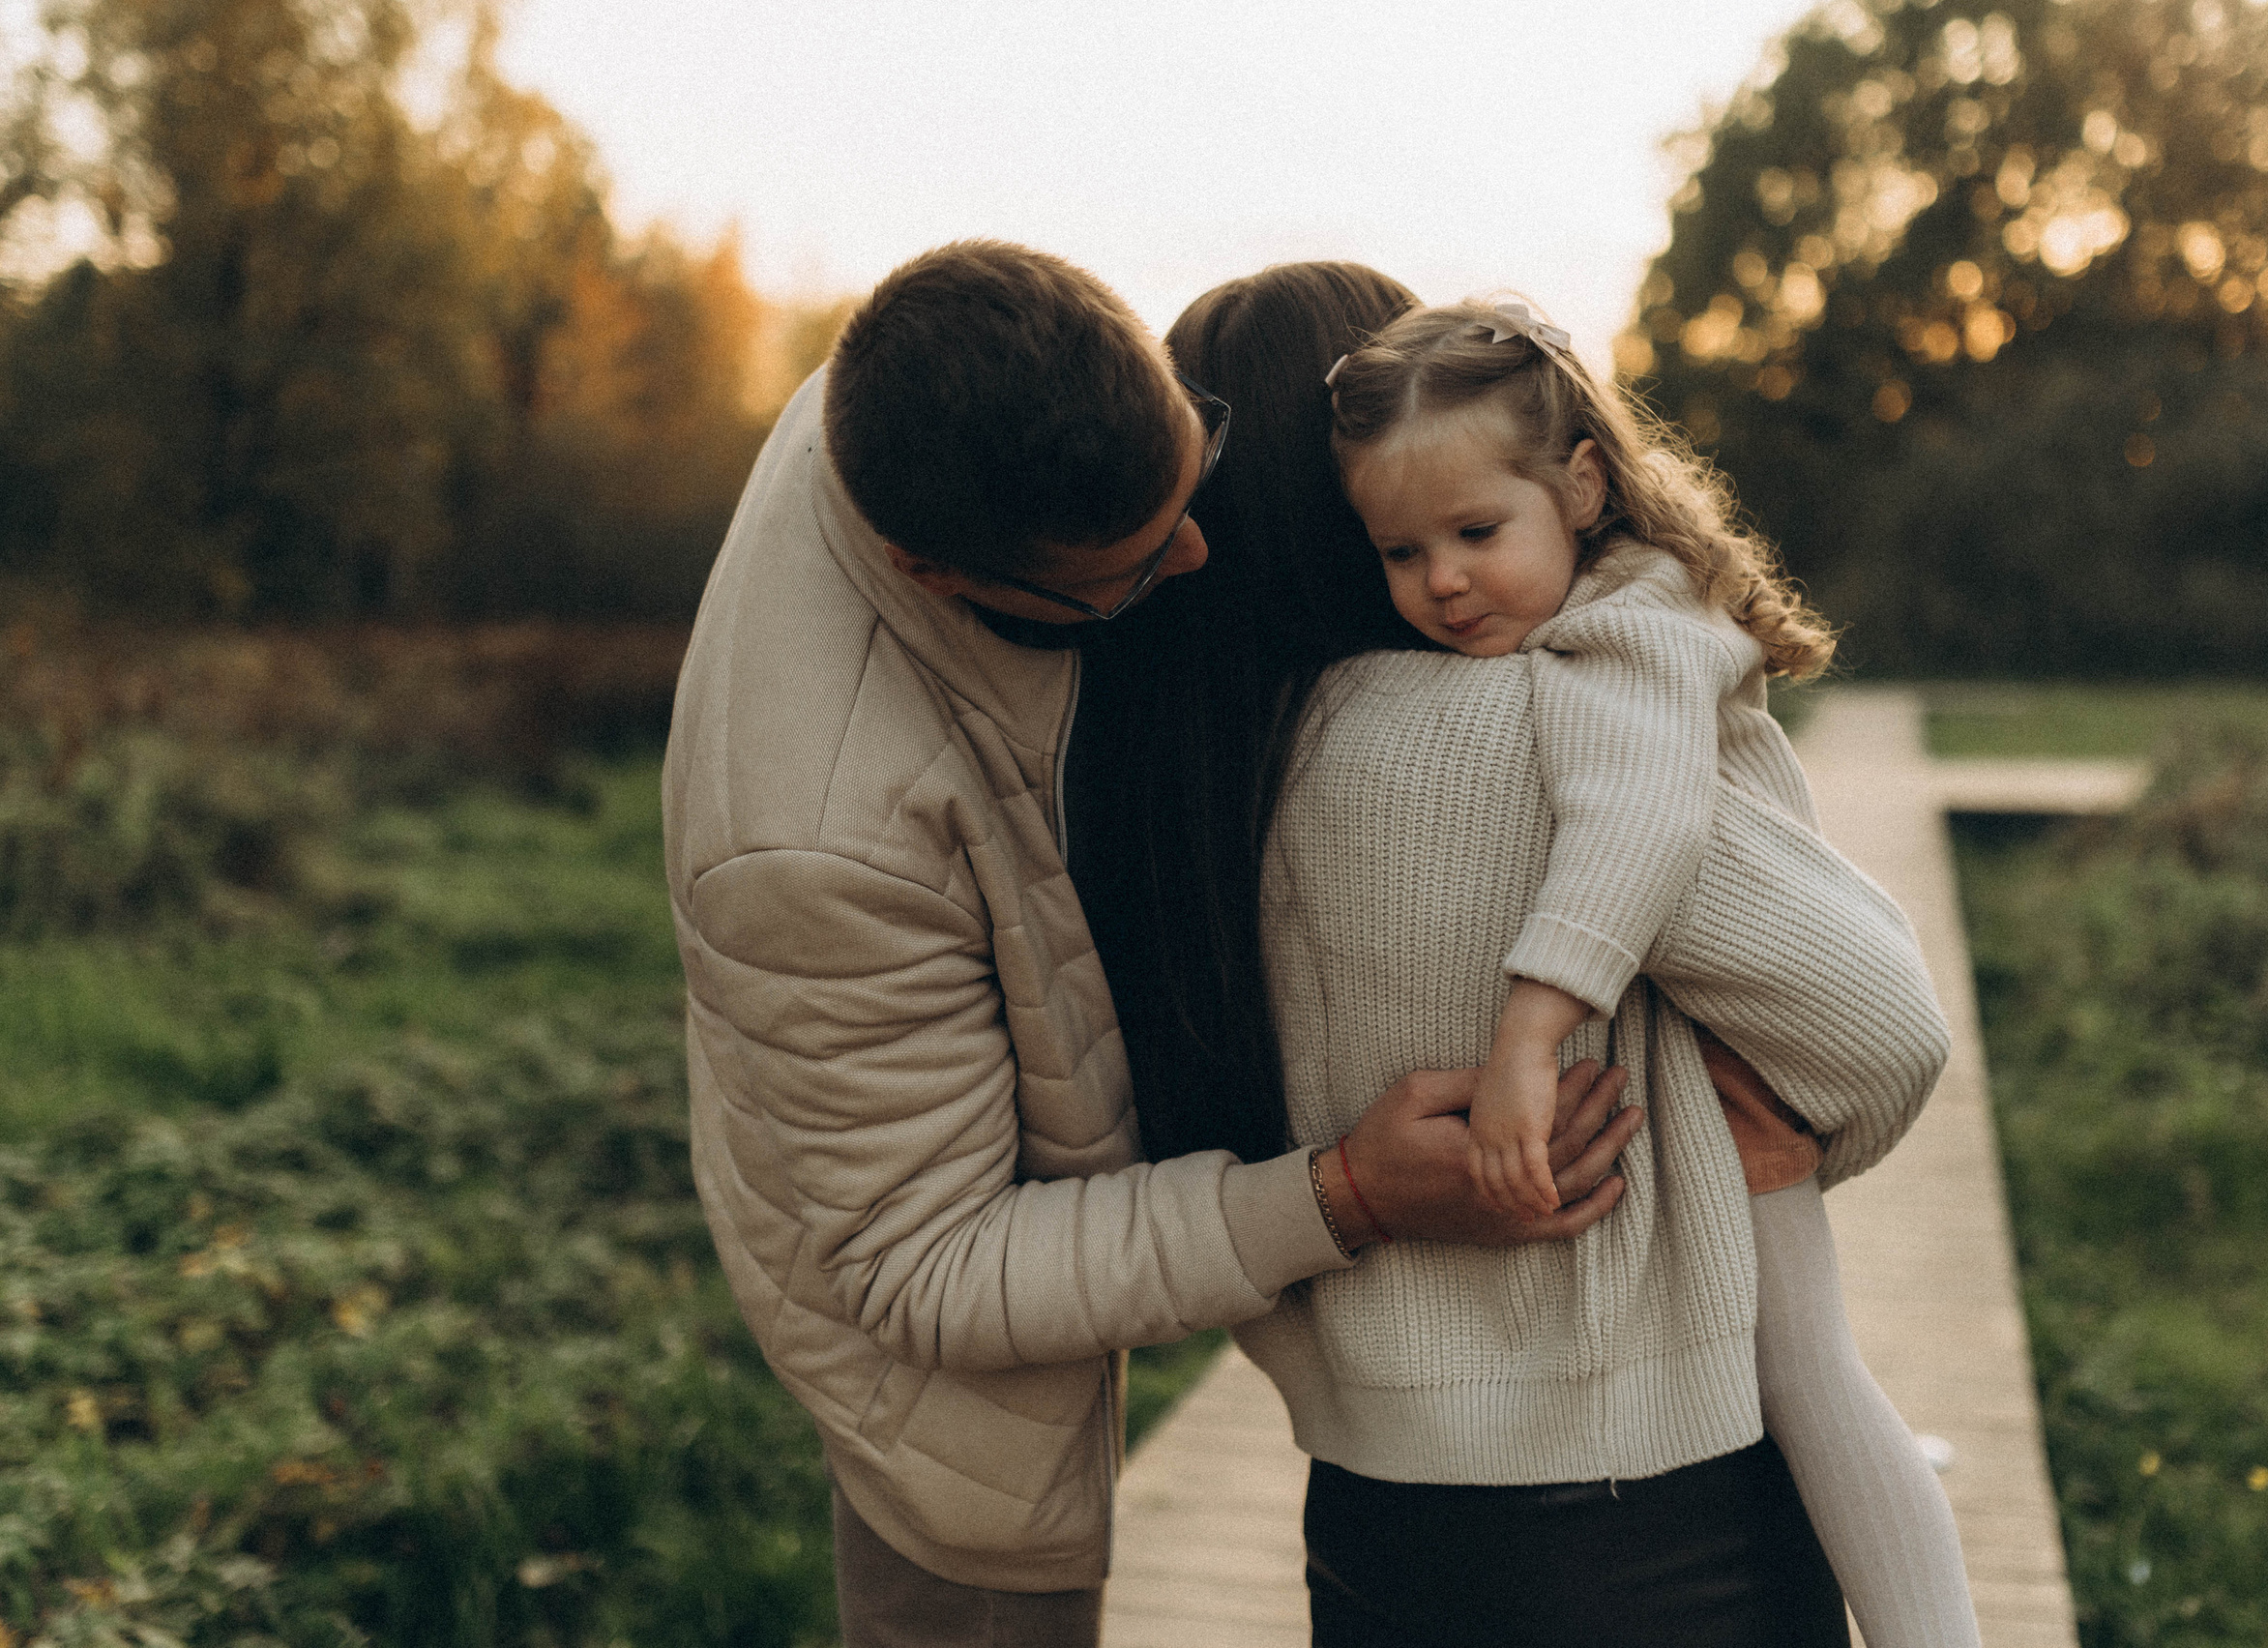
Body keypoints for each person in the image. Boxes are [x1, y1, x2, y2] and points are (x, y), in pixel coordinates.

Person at [661, 241, 1642, 1648]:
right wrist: (1343, 1193)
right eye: (1131, 573)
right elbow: (918, 1267)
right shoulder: (820, 846)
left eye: (1202, 473)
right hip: (934, 1383)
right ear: (932, 572)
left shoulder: (916, 392)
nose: (1199, 553)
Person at [1100, 264, 1957, 1646]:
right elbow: (1879, 1028)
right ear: (1347, 497)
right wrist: (1790, 1154)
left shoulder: (1181, 783)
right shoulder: (1543, 729)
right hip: (1649, 1514)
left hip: (1372, 1520)